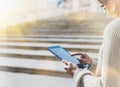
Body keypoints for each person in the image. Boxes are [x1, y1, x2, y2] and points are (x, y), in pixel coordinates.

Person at [62, 0, 120, 87]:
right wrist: (93, 64)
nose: (100, 4)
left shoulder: (114, 29)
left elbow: (107, 85)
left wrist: (77, 73)